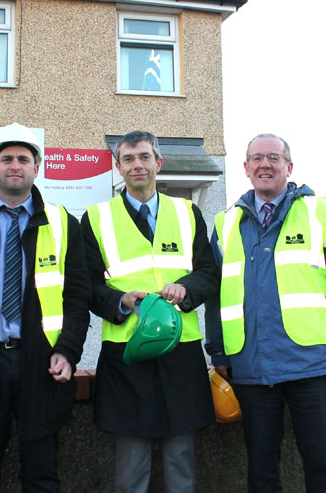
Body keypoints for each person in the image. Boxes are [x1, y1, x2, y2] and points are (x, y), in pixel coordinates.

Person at [206, 133, 326, 493]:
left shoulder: (320, 213)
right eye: (257, 158)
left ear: (289, 166)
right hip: (250, 363)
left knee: (321, 465)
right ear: (246, 168)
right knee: (261, 469)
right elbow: (217, 296)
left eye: (274, 158)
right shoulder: (225, 224)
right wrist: (218, 350)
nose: (265, 164)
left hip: (312, 363)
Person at [0, 123, 90, 492]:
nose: (15, 165)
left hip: (41, 364)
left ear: (36, 168)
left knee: (42, 473)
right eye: (6, 158)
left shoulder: (63, 223)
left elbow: (77, 297)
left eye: (24, 158)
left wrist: (68, 352)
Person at [81, 130, 217, 493]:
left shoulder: (188, 213)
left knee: (180, 459)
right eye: (128, 159)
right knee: (131, 466)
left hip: (181, 349)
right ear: (117, 167)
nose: (136, 165)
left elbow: (208, 273)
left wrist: (186, 289)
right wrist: (120, 301)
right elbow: (86, 287)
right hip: (126, 353)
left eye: (143, 157)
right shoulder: (96, 218)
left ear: (159, 163)